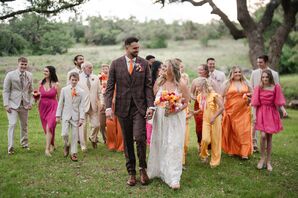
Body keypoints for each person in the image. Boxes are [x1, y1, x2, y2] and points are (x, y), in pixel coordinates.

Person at [105, 37, 155, 186]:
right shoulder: (115, 64)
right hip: (122, 108)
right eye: (134, 48)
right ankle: (131, 173)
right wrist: (108, 107)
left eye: (138, 48)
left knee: (140, 137)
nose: (137, 50)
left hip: (139, 108)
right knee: (127, 141)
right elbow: (109, 87)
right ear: (126, 48)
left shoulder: (144, 64)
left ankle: (142, 169)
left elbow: (148, 86)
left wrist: (150, 106)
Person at [147, 59, 190, 189]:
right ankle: (156, 171)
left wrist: (175, 109)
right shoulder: (159, 82)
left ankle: (173, 177)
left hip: (175, 118)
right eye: (163, 67)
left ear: (174, 69)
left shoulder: (180, 84)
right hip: (160, 118)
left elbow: (186, 102)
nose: (163, 69)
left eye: (166, 67)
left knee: (173, 145)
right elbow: (154, 99)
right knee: (159, 143)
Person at [251, 69, 287, 171]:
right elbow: (254, 103)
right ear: (261, 78)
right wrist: (254, 115)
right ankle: (262, 158)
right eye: (263, 77)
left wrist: (283, 110)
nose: (265, 79)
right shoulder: (258, 88)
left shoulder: (275, 87)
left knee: (269, 137)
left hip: (271, 113)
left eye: (267, 77)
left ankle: (268, 161)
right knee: (262, 136)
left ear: (270, 77)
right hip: (261, 112)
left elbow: (278, 101)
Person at [3, 57, 33, 155]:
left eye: (25, 64)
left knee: (24, 125)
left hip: (24, 104)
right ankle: (10, 148)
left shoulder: (29, 75)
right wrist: (6, 104)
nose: (24, 66)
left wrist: (31, 103)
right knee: (12, 124)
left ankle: (24, 144)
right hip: (12, 104)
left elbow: (31, 91)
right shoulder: (10, 75)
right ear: (18, 64)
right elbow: (6, 90)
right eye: (22, 64)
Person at [221, 66, 253, 159]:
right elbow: (221, 96)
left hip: (244, 110)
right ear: (232, 73)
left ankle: (244, 153)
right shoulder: (227, 83)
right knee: (233, 131)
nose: (238, 74)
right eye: (235, 72)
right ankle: (232, 149)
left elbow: (253, 94)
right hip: (231, 110)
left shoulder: (246, 82)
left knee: (244, 131)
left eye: (239, 72)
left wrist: (249, 98)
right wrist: (222, 109)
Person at [250, 55, 279, 152]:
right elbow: (251, 86)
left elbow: (276, 88)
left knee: (267, 124)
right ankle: (254, 144)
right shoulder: (254, 73)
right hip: (256, 101)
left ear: (266, 62)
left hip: (268, 104)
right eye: (257, 62)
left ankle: (267, 143)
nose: (258, 64)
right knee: (254, 123)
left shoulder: (274, 74)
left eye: (260, 62)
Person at [56, 72, 85, 162]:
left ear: (78, 80)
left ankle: (73, 153)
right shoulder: (64, 90)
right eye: (72, 80)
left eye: (76, 80)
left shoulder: (81, 92)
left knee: (75, 135)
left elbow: (82, 106)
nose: (74, 81)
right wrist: (58, 115)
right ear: (70, 79)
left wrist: (81, 118)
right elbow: (60, 103)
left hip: (76, 116)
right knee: (64, 134)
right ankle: (66, 144)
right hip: (66, 115)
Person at [196, 78, 224, 168]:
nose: (196, 88)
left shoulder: (214, 95)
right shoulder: (200, 96)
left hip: (215, 120)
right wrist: (194, 112)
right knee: (205, 139)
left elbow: (222, 107)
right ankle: (203, 154)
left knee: (215, 141)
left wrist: (214, 117)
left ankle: (215, 161)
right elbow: (202, 108)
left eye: (198, 86)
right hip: (206, 120)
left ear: (203, 86)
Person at [78, 62, 103, 151]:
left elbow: (99, 92)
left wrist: (102, 102)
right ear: (84, 68)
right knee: (82, 126)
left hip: (94, 105)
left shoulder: (96, 78)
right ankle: (83, 145)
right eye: (89, 68)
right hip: (82, 106)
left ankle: (92, 138)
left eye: (92, 68)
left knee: (97, 125)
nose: (91, 69)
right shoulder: (78, 78)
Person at [37, 66, 59, 157]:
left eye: (46, 71)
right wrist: (35, 99)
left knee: (49, 126)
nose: (44, 72)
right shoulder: (40, 83)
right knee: (46, 128)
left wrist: (59, 114)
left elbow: (60, 99)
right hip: (42, 108)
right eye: (44, 71)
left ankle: (47, 149)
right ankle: (52, 144)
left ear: (51, 72)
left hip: (53, 107)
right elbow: (38, 96)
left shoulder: (56, 84)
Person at [146, 60, 163, 145]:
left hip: (161, 103)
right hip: (152, 102)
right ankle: (149, 140)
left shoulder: (163, 79)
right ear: (156, 68)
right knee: (150, 122)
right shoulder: (151, 79)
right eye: (160, 67)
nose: (161, 69)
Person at [98, 64, 110, 144]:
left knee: (110, 122)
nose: (105, 70)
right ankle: (105, 138)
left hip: (109, 100)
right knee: (101, 124)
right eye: (103, 69)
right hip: (101, 100)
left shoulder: (111, 78)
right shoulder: (99, 78)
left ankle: (110, 139)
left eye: (106, 68)